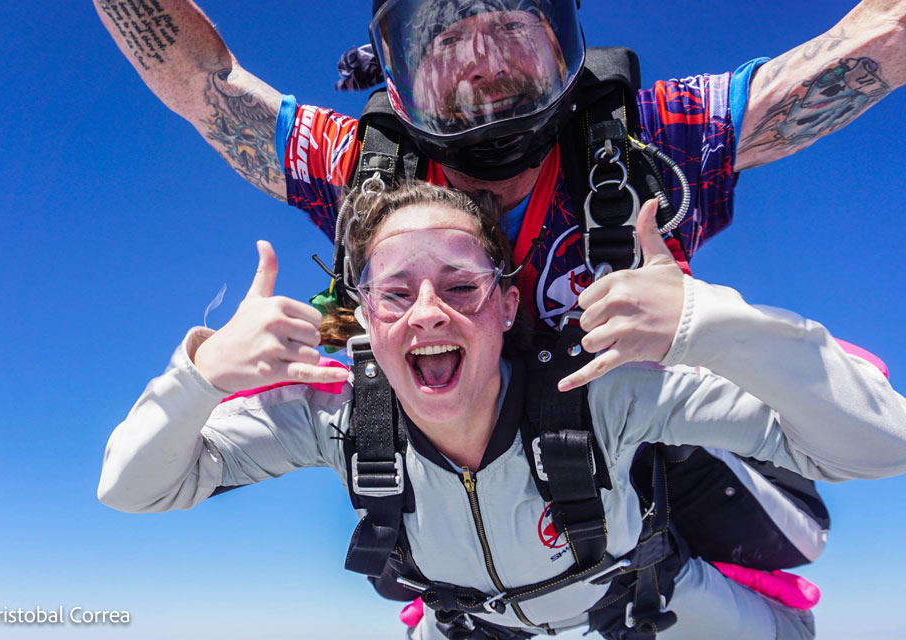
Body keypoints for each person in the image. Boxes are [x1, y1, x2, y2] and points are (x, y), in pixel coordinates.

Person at [98, 181, 906, 639]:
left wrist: (706, 320)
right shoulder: (340, 415)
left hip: (642, 607)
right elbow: (131, 488)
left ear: (507, 306)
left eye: (460, 286)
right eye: (394, 293)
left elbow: (881, 445)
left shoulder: (599, 393)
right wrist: (199, 375)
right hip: (471, 627)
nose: (427, 313)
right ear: (366, 321)